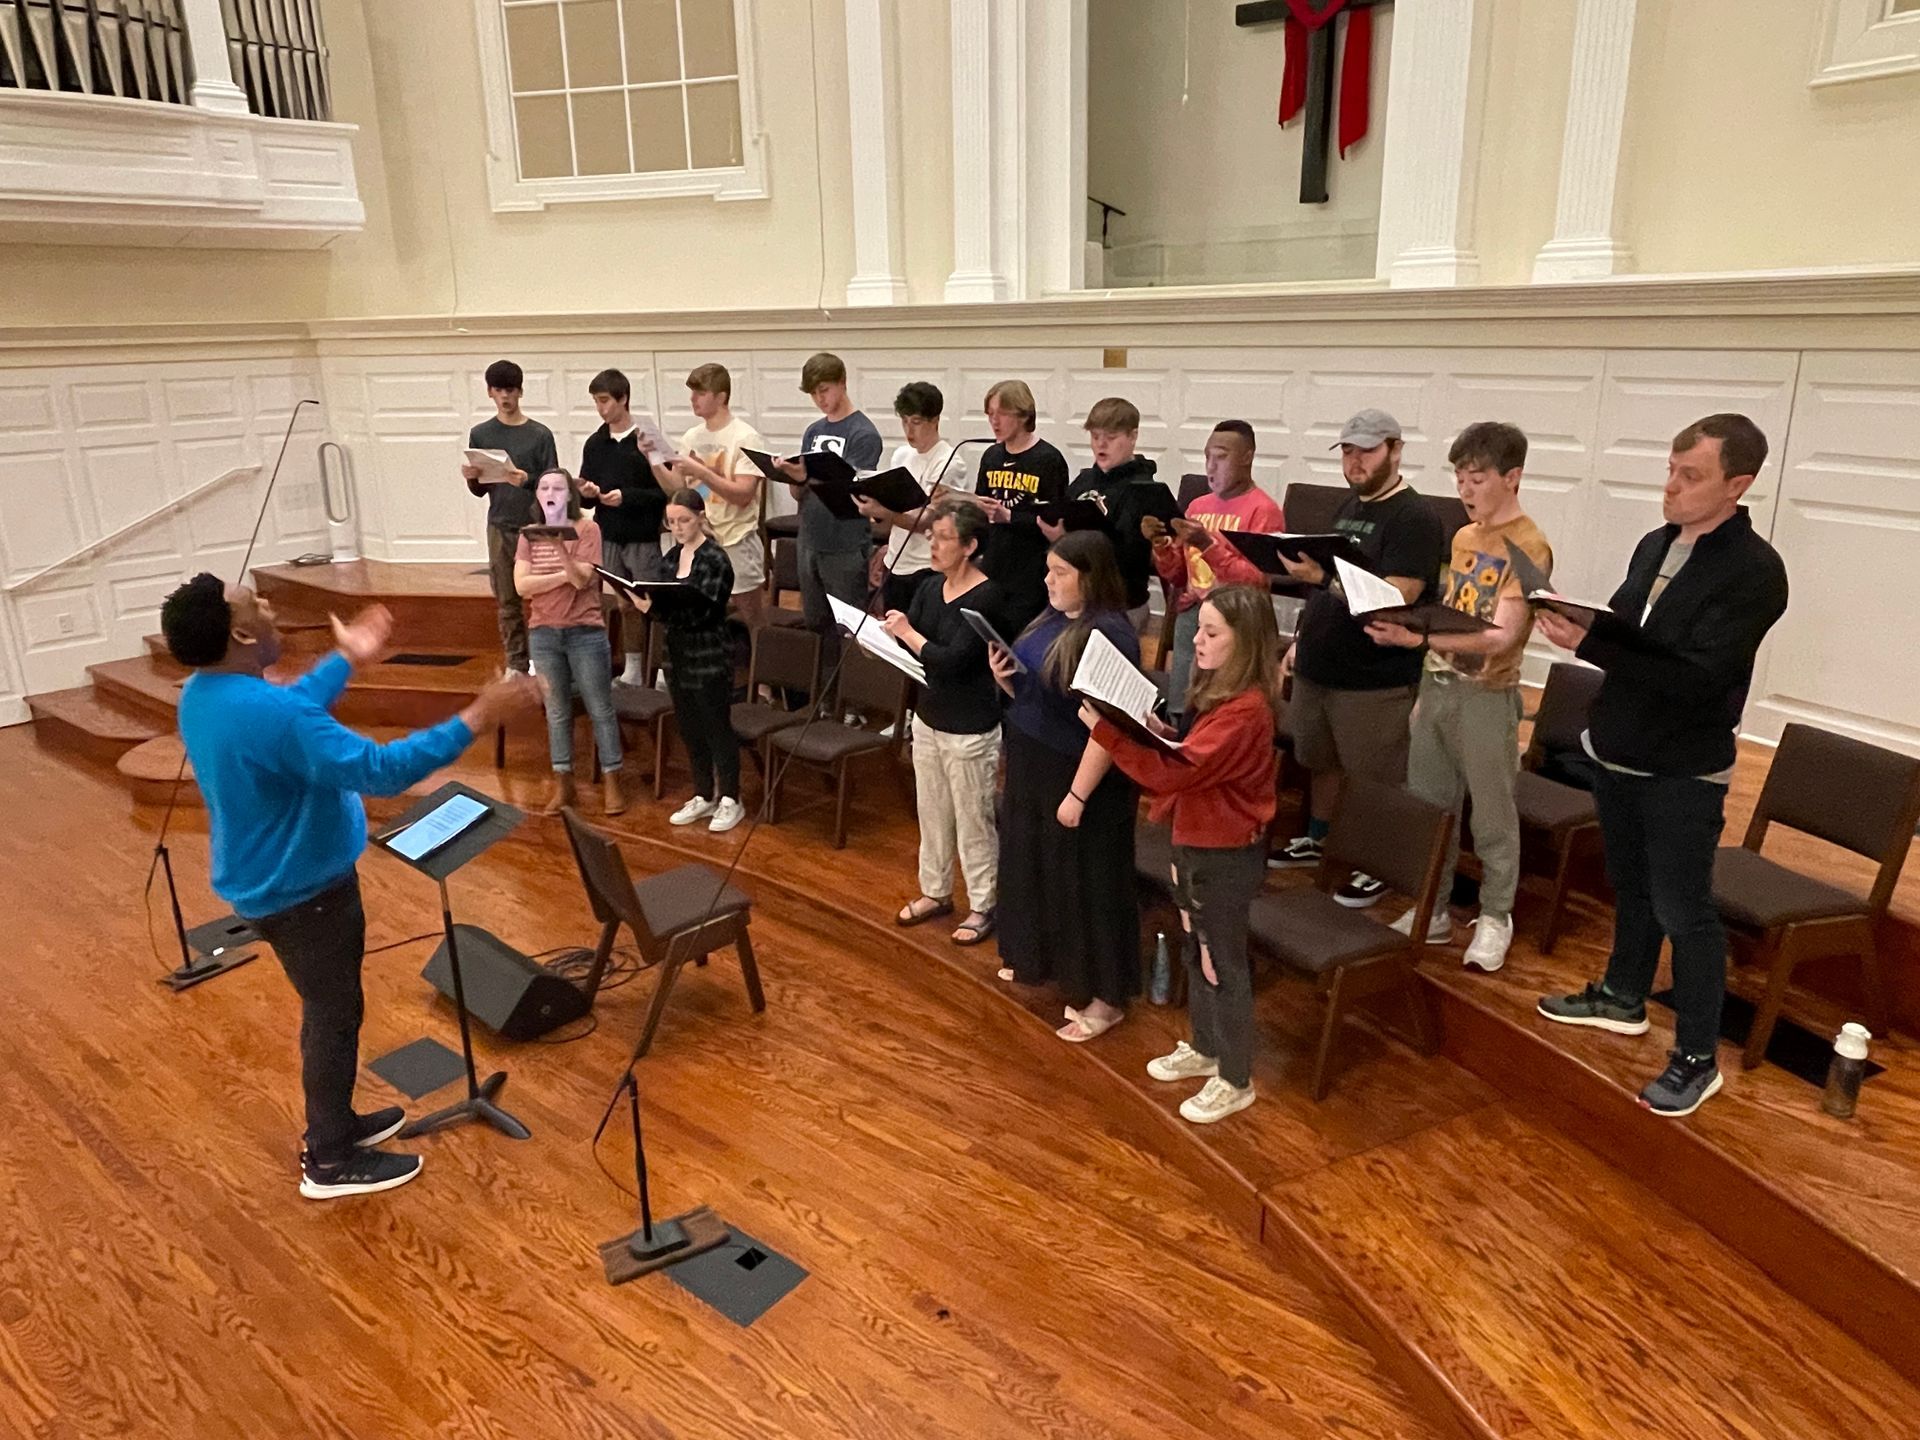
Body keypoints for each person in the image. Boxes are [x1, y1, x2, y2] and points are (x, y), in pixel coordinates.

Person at [163, 573, 541, 1200]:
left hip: (268, 881)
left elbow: (293, 715)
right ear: (239, 632)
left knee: (333, 1009)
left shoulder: (205, 694)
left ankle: (337, 1124)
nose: (268, 604)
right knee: (333, 1017)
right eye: (255, 603)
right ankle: (329, 1158)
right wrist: (480, 714)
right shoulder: (267, 712)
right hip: (302, 892)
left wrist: (347, 659)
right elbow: (381, 770)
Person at [1536, 414, 1789, 1118]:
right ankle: (1622, 997)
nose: (1670, 487)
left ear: (1739, 484)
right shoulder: (1656, 543)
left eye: (1691, 476)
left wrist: (1593, 649)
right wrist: (1582, 626)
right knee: (1630, 884)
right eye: (1670, 470)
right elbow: (1626, 626)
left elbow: (1697, 680)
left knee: (1686, 909)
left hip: (1683, 765)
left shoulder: (1755, 572)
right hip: (1619, 748)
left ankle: (1697, 1058)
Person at [1087, 585, 1280, 1125]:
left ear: (1244, 644)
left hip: (1223, 858)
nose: (1197, 639)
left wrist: (1110, 733)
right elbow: (1189, 755)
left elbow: (1176, 772)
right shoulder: (1222, 697)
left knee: (1223, 963)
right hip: (1195, 844)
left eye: (1212, 632)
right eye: (1200, 627)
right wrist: (1154, 731)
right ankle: (1207, 1045)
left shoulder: (1247, 712)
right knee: (1198, 951)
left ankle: (1235, 1077)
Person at [1365, 421, 1552, 974]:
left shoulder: (1530, 543)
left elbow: (1502, 635)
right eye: (1459, 478)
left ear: (1512, 477)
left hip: (1486, 696)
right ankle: (1436, 905)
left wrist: (1416, 638)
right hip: (1441, 685)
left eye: (1476, 478)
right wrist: (1427, 673)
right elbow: (1452, 613)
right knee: (1431, 806)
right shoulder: (1464, 537)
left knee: (1492, 814)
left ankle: (1496, 915)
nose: (1465, 490)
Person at [1271, 408, 1446, 909]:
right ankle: (1320, 837)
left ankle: (1379, 866)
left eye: (1366, 451)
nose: (1355, 461)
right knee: (1320, 761)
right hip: (1322, 662)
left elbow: (1400, 596)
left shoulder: (1414, 518)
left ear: (1395, 449)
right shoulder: (1349, 507)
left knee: (1377, 776)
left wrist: (1323, 581)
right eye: (1348, 451)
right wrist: (1303, 639)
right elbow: (1324, 589)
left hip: (1373, 676)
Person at [990, 531, 1141, 1043]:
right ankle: (1042, 959)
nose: (1048, 580)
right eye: (1048, 570)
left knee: (1085, 880)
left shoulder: (1112, 635)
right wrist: (1007, 678)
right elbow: (1039, 692)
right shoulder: (1053, 617)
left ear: (1090, 577)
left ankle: (1104, 997)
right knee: (1035, 864)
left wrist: (1077, 795)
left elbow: (1110, 726)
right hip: (1034, 757)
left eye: (1060, 573)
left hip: (1080, 773)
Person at [883, 501, 1005, 947]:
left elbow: (953, 660)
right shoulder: (929, 586)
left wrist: (908, 636)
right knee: (931, 812)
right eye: (931, 536)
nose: (932, 544)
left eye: (944, 538)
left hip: (969, 728)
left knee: (973, 820)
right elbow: (914, 647)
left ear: (971, 546)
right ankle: (935, 891)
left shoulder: (988, 596)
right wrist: (881, 640)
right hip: (930, 718)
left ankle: (983, 904)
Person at [1145, 420, 1282, 721]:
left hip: (1237, 622)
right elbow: (1180, 576)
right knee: (1182, 705)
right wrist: (1161, 548)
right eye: (1207, 457)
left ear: (1247, 457)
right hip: (1194, 612)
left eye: (1221, 457)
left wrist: (1207, 544)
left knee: (1220, 710)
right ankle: (1178, 725)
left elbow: (1255, 581)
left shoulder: (1263, 510)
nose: (1211, 466)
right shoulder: (1197, 507)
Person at [514, 468, 626, 816]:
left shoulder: (588, 529)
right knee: (557, 712)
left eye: (558, 488)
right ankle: (564, 785)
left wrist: (559, 550)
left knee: (600, 709)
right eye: (544, 488)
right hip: (544, 633)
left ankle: (613, 783)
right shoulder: (528, 534)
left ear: (570, 496)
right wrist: (563, 575)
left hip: (585, 632)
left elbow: (582, 580)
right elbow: (521, 586)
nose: (551, 493)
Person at [643, 489, 746, 834]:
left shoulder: (715, 559)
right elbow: (663, 601)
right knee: (689, 727)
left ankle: (731, 796)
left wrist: (655, 609)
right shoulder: (671, 557)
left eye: (684, 520)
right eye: (672, 522)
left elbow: (704, 611)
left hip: (709, 654)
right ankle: (704, 793)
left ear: (701, 517)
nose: (678, 527)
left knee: (716, 725)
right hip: (677, 655)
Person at [777, 352, 883, 678]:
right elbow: (800, 493)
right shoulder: (813, 431)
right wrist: (792, 477)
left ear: (842, 383)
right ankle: (826, 694)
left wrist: (808, 478)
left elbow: (853, 494)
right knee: (816, 621)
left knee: (848, 624)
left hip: (845, 542)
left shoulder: (863, 433)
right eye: (813, 393)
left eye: (824, 390)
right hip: (811, 537)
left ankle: (851, 700)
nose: (820, 399)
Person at [462, 359, 558, 674]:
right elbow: (480, 490)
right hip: (500, 524)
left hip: (534, 526)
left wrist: (526, 480)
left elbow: (553, 484)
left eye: (511, 390)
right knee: (507, 598)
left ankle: (547, 662)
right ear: (490, 392)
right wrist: (471, 477)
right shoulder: (481, 433)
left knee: (544, 597)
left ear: (520, 392)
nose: (505, 397)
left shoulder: (539, 434)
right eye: (499, 390)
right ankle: (516, 663)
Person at [577, 368, 670, 687]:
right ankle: (633, 667)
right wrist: (587, 493)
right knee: (623, 603)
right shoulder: (595, 443)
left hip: (642, 533)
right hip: (609, 533)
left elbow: (665, 493)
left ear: (623, 399)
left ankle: (659, 669)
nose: (601, 408)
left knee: (651, 602)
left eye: (604, 400)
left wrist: (627, 497)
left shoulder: (646, 439)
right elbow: (586, 496)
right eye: (596, 402)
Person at [964, 379, 1069, 635]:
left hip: (1030, 572)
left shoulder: (1047, 460)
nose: (994, 422)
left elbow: (1053, 522)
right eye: (990, 414)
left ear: (1023, 414)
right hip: (993, 565)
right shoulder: (992, 456)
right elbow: (983, 503)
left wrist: (1009, 516)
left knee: (1018, 640)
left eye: (1001, 414)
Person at [1053, 397, 1164, 634]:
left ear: (1133, 437)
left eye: (1111, 438)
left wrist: (1070, 542)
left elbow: (1133, 556)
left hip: (1121, 603)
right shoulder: (1083, 481)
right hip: (1079, 599)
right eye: (1095, 437)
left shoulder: (1145, 490)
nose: (1101, 445)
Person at [672, 362, 769, 628]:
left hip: (736, 536)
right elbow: (677, 490)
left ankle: (761, 668)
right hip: (701, 536)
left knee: (751, 615)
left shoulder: (746, 437)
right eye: (692, 393)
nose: (693, 399)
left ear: (721, 397)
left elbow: (743, 495)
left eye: (700, 393)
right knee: (701, 612)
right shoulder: (691, 437)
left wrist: (702, 472)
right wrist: (654, 459)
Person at [858, 380, 954, 616]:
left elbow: (926, 522)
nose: (909, 430)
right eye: (904, 421)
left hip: (926, 567)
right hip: (896, 563)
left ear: (935, 420)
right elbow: (894, 507)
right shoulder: (902, 455)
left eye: (917, 422)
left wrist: (883, 512)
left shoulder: (947, 461)